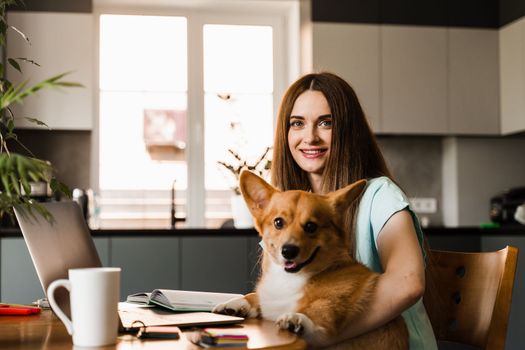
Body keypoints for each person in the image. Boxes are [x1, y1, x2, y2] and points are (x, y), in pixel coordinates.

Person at [270, 72, 437, 349]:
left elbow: (408, 283)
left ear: (348, 130)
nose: (309, 137)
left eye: (326, 123)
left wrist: (321, 332)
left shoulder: (381, 195)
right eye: (297, 123)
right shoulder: (287, 211)